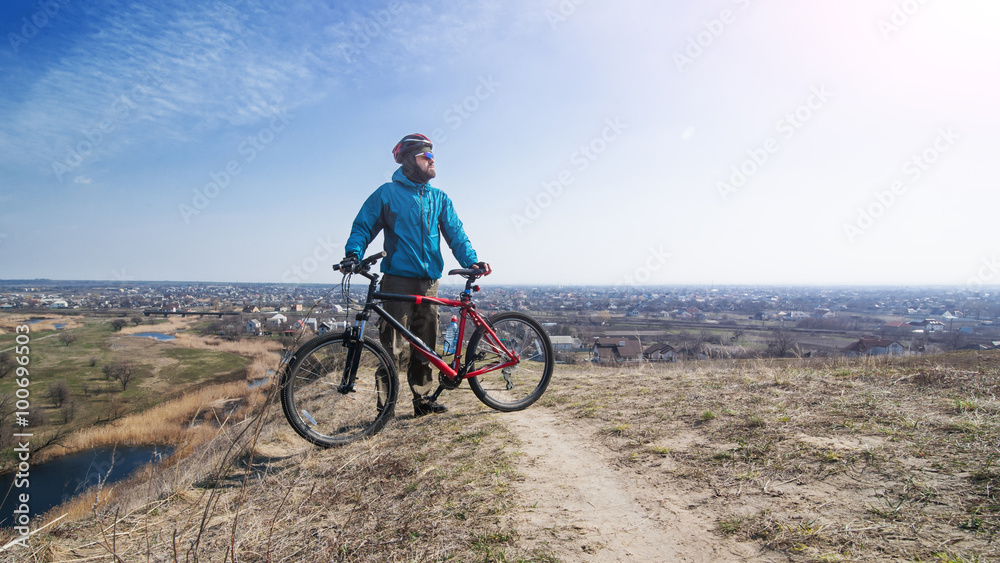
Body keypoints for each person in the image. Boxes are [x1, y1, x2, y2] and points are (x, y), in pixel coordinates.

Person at [341, 134, 490, 417]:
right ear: (410, 160)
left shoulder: (439, 198)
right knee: (392, 348)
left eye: (433, 156)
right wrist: (353, 254)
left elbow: (456, 234)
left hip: (430, 283)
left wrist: (472, 261)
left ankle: (422, 400)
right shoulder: (387, 194)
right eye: (426, 156)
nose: (433, 161)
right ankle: (385, 408)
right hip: (397, 280)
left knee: (426, 345)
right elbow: (363, 226)